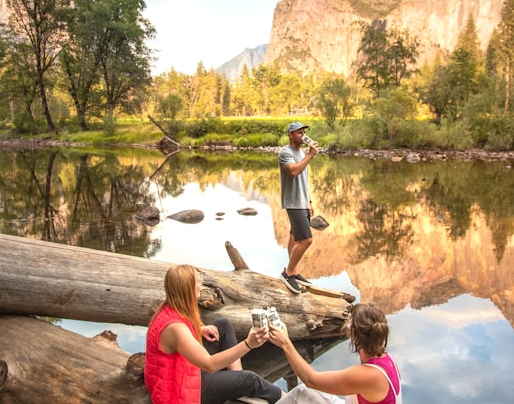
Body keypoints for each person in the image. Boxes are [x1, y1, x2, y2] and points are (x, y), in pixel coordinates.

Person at [145, 264, 284, 404]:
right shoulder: (176, 329)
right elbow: (209, 365)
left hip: (184, 371)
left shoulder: (170, 307)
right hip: (180, 390)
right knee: (250, 379)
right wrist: (248, 344)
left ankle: (237, 385)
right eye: (198, 281)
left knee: (223, 326)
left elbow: (179, 335)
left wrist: (200, 328)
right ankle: (289, 399)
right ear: (187, 289)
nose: (201, 284)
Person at [269, 303, 402, 404]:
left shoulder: (368, 375)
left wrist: (285, 343)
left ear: (353, 333)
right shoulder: (387, 360)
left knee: (302, 392)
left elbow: (311, 379)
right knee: (304, 392)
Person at [278, 121, 319, 294]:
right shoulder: (285, 152)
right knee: (307, 240)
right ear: (290, 135)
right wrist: (310, 156)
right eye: (299, 132)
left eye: (303, 132)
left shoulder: (300, 152)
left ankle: (293, 272)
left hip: (302, 202)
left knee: (294, 237)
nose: (302, 135)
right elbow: (293, 172)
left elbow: (304, 180)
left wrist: (308, 202)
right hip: (293, 203)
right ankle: (287, 273)